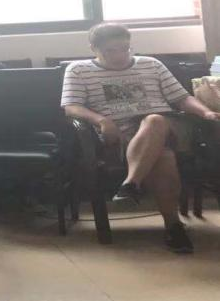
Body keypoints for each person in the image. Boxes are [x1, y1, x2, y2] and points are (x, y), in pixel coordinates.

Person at [61, 23, 220, 254]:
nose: (120, 55)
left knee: (154, 120)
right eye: (111, 51)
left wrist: (205, 112)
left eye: (125, 49)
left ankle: (130, 183)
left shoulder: (151, 64)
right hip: (124, 133)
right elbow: (71, 107)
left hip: (170, 125)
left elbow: (181, 98)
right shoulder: (78, 70)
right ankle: (173, 227)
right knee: (163, 157)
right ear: (94, 48)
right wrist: (102, 120)